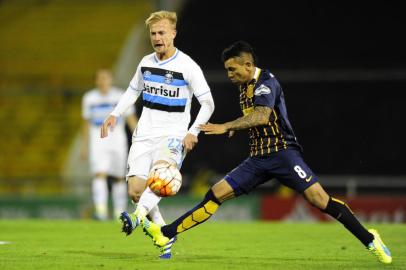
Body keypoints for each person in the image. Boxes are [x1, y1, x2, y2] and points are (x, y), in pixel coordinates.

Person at [141, 41, 392, 265]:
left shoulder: (266, 82)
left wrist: (227, 125)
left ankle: (371, 239)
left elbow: (261, 117)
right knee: (215, 194)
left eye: (233, 69)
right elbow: (253, 118)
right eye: (227, 70)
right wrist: (237, 128)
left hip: (283, 154)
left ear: (248, 64)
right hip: (258, 158)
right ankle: (166, 234)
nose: (229, 74)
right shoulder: (243, 87)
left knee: (320, 200)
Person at [100, 10, 214, 259]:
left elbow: (208, 103)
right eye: (153, 33)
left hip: (173, 136)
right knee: (135, 192)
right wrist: (115, 114)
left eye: (162, 32)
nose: (157, 37)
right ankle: (163, 235)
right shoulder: (146, 63)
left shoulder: (187, 66)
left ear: (173, 33)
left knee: (161, 176)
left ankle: (137, 218)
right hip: (143, 135)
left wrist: (193, 131)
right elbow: (132, 92)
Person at [81, 69, 138, 220]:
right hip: (98, 141)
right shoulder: (89, 98)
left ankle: (119, 212)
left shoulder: (120, 96)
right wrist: (85, 146)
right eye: (100, 78)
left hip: (118, 141)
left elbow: (131, 119)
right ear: (96, 80)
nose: (103, 81)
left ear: (111, 80)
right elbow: (86, 124)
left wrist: (139, 139)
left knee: (119, 177)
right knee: (99, 174)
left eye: (106, 78)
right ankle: (100, 211)